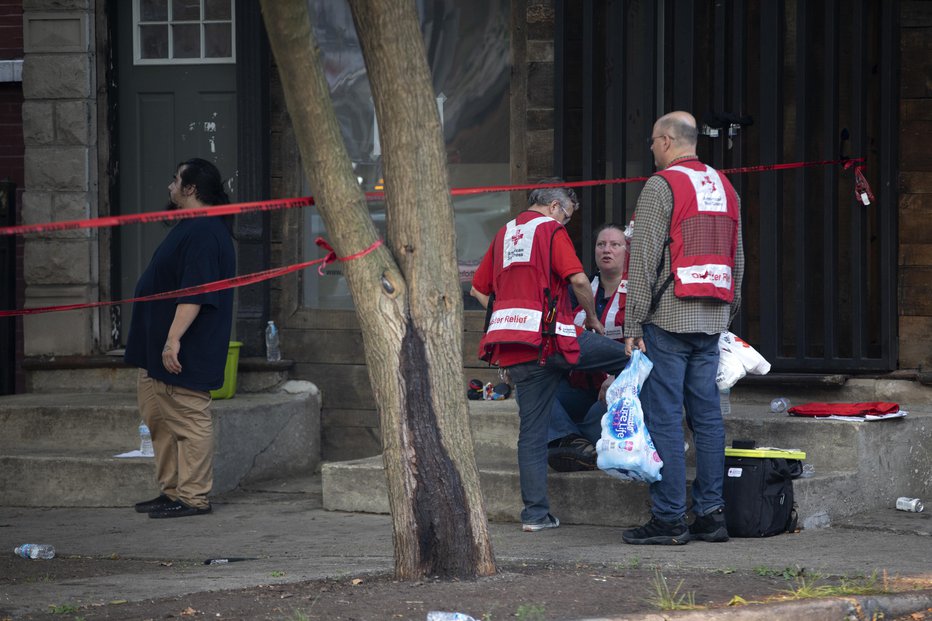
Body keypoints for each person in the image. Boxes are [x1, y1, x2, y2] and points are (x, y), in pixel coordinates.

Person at [470, 180, 629, 532]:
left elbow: (477, 290)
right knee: (634, 360)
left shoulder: (503, 234)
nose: (566, 223)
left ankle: (535, 515)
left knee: (531, 433)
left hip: (514, 347)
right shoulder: (550, 230)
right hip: (554, 338)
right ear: (556, 207)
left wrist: (508, 314)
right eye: (567, 217)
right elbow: (579, 281)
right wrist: (591, 318)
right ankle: (653, 440)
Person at [623, 111, 744, 544]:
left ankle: (671, 519)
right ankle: (711, 515)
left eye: (654, 141)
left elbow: (644, 258)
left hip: (669, 317)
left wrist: (631, 321)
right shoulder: (725, 187)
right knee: (708, 419)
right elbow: (738, 257)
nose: (652, 148)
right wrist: (726, 313)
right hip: (711, 316)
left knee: (667, 419)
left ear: (669, 141)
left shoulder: (662, 186)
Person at [124, 158, 236, 519]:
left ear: (191, 189)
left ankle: (193, 496)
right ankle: (171, 489)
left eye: (176, 181)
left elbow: (195, 292)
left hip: (183, 348)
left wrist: (173, 340)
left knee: (189, 420)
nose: (170, 187)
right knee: (160, 421)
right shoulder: (191, 227)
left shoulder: (205, 231)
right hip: (153, 351)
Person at [547, 222, 630, 472]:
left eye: (615, 245)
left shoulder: (638, 291)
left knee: (598, 420)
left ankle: (571, 444)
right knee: (533, 388)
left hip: (616, 391)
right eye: (601, 244)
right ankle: (572, 442)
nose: (607, 250)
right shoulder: (579, 291)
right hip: (580, 384)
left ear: (627, 251)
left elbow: (648, 348)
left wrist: (618, 376)